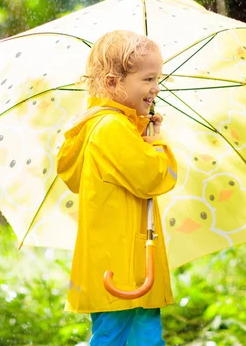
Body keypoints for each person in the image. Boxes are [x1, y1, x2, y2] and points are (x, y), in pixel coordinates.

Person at [56, 30, 178, 346]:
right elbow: (153, 176)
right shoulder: (110, 128)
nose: (156, 88)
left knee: (145, 337)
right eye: (148, 79)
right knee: (116, 338)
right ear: (113, 83)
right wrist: (157, 142)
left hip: (129, 261)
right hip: (120, 265)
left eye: (157, 78)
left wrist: (142, 130)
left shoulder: (117, 127)